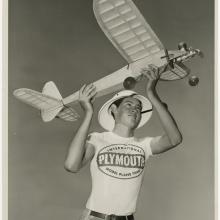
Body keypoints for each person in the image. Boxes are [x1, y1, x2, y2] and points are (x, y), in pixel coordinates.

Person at [64, 65, 182, 220]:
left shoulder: (144, 145)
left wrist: (152, 94)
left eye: (139, 108)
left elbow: (175, 139)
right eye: (129, 105)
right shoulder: (98, 139)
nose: (135, 110)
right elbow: (71, 165)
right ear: (114, 109)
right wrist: (88, 113)